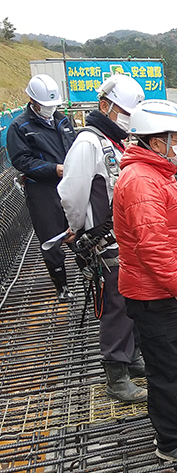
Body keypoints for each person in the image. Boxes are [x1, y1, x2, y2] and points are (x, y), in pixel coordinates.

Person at [115, 99, 177, 465]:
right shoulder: (141, 181)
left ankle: (176, 421)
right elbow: (151, 244)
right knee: (166, 368)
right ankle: (170, 441)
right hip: (156, 294)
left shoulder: (156, 174)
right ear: (156, 143)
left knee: (176, 361)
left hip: (169, 289)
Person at [59, 75, 147, 404]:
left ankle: (131, 355)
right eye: (122, 111)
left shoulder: (120, 141)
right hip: (105, 241)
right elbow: (72, 194)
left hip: (129, 239)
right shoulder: (89, 143)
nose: (126, 117)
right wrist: (77, 229)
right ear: (104, 105)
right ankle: (116, 373)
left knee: (134, 301)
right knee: (115, 306)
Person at [7, 74, 77, 302]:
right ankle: (61, 285)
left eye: (53, 105)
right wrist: (52, 169)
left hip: (70, 184)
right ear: (32, 100)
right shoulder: (20, 127)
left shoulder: (64, 121)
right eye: (45, 105)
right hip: (42, 190)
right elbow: (22, 161)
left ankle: (89, 270)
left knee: (79, 230)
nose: (50, 109)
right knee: (52, 238)